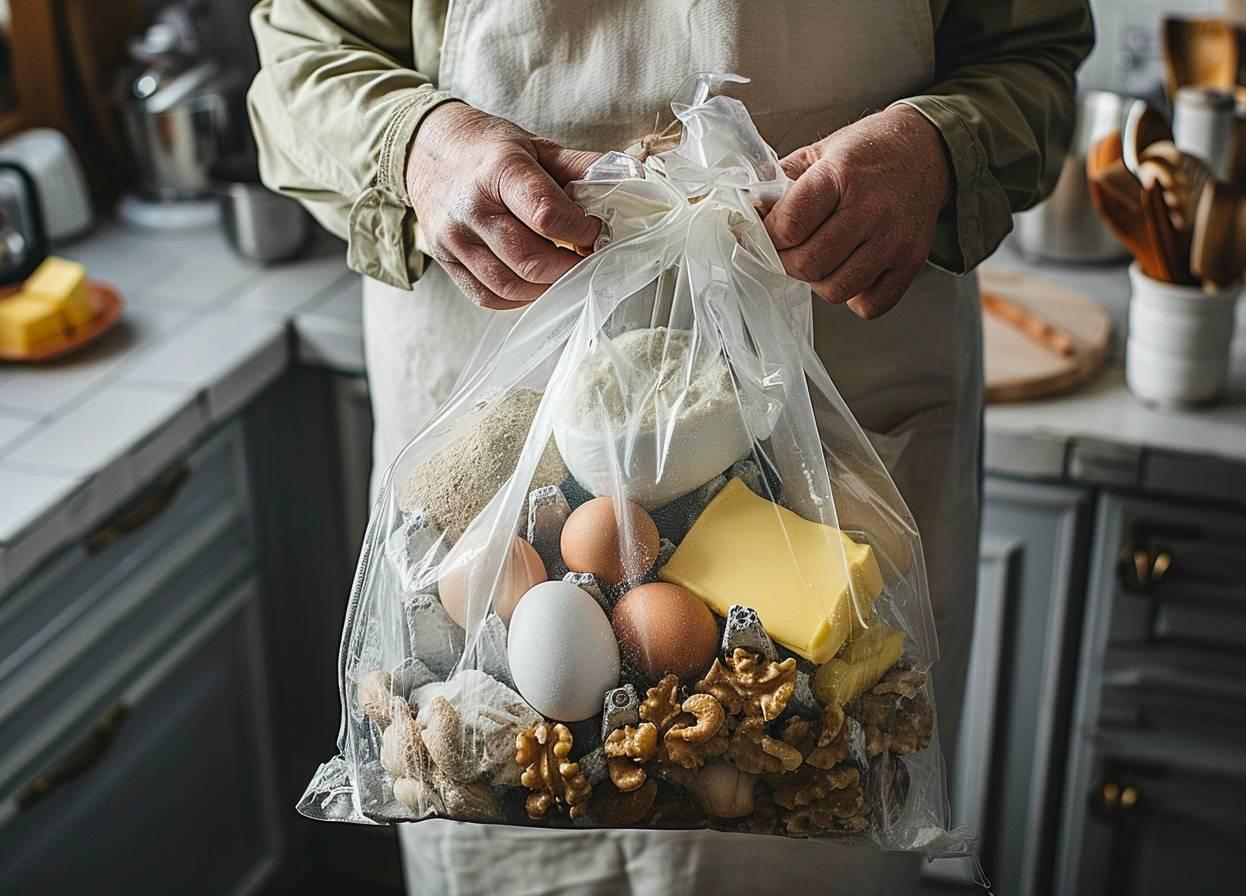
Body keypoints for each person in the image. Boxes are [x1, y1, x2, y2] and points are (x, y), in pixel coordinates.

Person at [249, 2, 1093, 893]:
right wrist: (416, 145)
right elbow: (302, 55)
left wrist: (940, 150)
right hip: (505, 449)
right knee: (489, 787)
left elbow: (1032, 59)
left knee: (824, 794)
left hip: (838, 423)